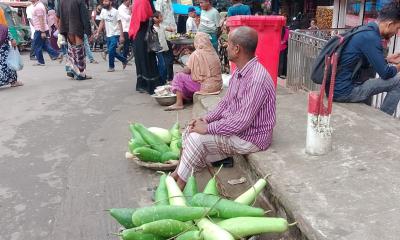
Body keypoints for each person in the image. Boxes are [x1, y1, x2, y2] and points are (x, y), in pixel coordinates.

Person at [171, 27, 276, 188]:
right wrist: (205, 119)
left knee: (197, 138)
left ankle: (178, 186)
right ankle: (177, 173)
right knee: (190, 131)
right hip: (240, 129)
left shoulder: (256, 79)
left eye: (228, 44)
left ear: (237, 49)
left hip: (251, 137)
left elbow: (241, 122)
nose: (226, 46)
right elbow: (225, 102)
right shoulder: (240, 72)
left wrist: (207, 128)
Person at [333, 1, 400, 116]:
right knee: (398, 81)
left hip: (337, 88)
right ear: (389, 24)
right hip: (345, 92)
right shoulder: (372, 38)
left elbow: (363, 60)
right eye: (397, 28)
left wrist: (387, 59)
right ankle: (384, 118)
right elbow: (386, 73)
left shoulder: (365, 30)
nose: (396, 32)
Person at [166, 32, 222, 111]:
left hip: (205, 86)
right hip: (217, 85)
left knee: (178, 77)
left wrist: (185, 66)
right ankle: (186, 98)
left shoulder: (196, 54)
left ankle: (179, 103)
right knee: (189, 77)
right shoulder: (213, 52)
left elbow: (186, 71)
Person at [129, 0, 161, 94]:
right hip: (142, 35)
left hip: (140, 35)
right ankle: (148, 85)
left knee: (143, 59)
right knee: (146, 59)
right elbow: (143, 18)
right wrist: (154, 19)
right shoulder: (142, 1)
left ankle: (142, 84)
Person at [58, 0, 92, 80]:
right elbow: (85, 17)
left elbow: (58, 16)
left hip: (67, 28)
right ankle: (81, 74)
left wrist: (61, 29)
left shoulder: (62, 1)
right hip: (77, 28)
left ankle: (71, 70)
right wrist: (89, 32)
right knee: (79, 52)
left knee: (72, 50)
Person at [96, 0, 127, 72]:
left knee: (110, 50)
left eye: (106, 1)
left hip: (115, 33)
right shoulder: (103, 11)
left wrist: (121, 36)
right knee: (111, 51)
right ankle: (124, 60)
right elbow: (102, 22)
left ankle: (111, 66)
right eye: (104, 1)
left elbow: (120, 23)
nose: (104, 3)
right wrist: (98, 32)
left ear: (110, 2)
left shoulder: (116, 11)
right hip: (108, 34)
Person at [30, 0, 61, 66]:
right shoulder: (37, 5)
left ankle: (41, 61)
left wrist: (42, 32)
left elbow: (41, 20)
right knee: (44, 46)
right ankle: (57, 54)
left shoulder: (39, 7)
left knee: (36, 45)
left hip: (40, 29)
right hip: (40, 29)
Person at [153, 11, 175, 85]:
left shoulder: (161, 26)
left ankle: (164, 80)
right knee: (162, 65)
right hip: (158, 50)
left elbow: (168, 28)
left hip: (165, 48)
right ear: (155, 19)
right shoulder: (153, 28)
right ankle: (161, 81)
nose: (162, 18)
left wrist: (172, 29)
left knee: (166, 65)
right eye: (160, 17)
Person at [0, 18, 23, 87]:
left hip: (4, 53)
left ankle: (13, 81)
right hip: (5, 52)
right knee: (9, 66)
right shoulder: (3, 28)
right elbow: (12, 40)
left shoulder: (3, 28)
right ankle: (13, 82)